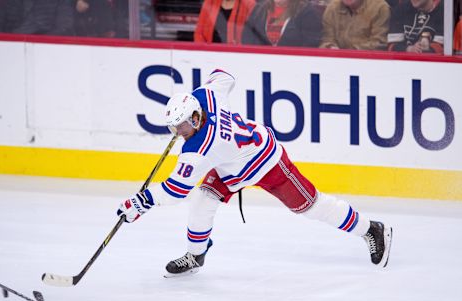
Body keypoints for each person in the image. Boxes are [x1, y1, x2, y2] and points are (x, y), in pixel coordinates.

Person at [116, 69, 393, 277]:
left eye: (182, 128)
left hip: (266, 161)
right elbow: (224, 76)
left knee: (311, 207)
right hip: (231, 166)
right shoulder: (206, 97)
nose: (178, 134)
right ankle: (196, 255)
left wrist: (140, 202)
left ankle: (372, 229)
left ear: (196, 117)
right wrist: (202, 90)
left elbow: (175, 191)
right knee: (203, 199)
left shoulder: (199, 148)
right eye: (175, 128)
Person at [241, 0, 322, 47]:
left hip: (293, 66)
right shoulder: (259, 9)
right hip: (261, 63)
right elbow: (247, 38)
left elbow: (311, 44)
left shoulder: (307, 12)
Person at [319, 0, 390, 50]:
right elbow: (326, 39)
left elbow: (379, 44)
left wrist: (349, 53)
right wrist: (330, 47)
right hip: (336, 61)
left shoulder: (380, 8)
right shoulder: (332, 8)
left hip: (369, 62)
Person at [4, 0, 74, 36]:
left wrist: (43, 40)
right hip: (17, 42)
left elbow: (65, 25)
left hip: (49, 45)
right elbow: (8, 22)